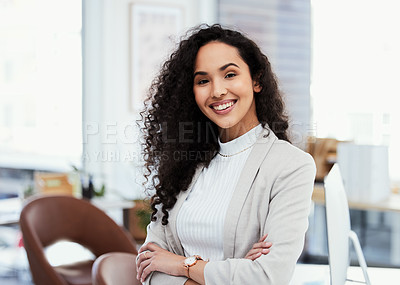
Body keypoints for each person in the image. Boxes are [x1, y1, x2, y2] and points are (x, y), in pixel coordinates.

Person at [136, 24, 316, 285]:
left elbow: (267, 277)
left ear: (256, 80)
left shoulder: (291, 166)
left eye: (230, 75)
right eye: (203, 80)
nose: (217, 91)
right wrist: (235, 269)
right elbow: (149, 264)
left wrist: (181, 265)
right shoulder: (184, 162)